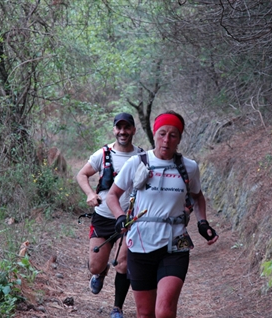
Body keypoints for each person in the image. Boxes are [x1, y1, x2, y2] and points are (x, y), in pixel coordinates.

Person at [106, 110, 219, 318]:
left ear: (179, 139)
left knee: (165, 311)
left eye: (173, 135)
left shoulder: (189, 167)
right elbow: (112, 195)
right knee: (145, 313)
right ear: (154, 134)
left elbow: (198, 196)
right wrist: (121, 217)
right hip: (140, 245)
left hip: (175, 245)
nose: (166, 140)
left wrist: (203, 223)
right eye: (162, 133)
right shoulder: (137, 162)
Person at [76, 112, 143, 318]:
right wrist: (90, 193)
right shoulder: (103, 154)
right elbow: (82, 174)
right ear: (114, 130)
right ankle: (100, 272)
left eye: (126, 128)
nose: (122, 132)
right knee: (95, 265)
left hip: (129, 219)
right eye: (119, 128)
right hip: (103, 216)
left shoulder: (142, 157)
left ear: (133, 130)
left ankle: (117, 308)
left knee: (123, 264)